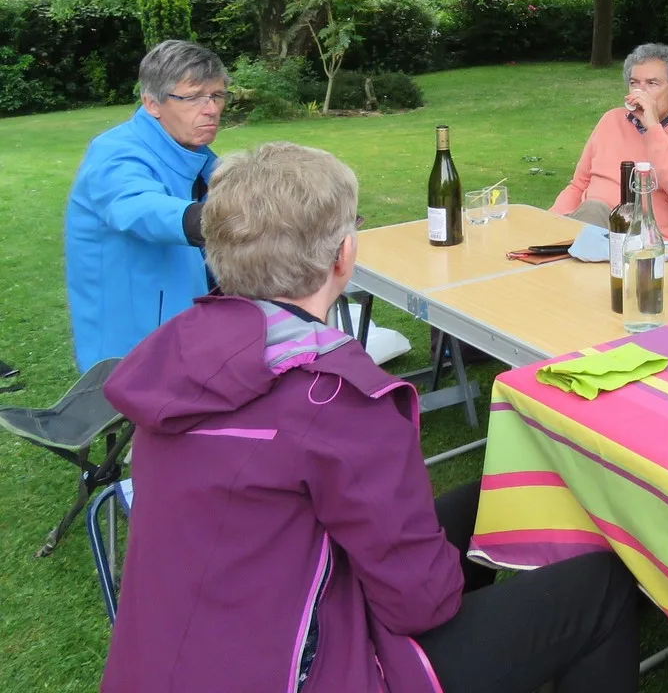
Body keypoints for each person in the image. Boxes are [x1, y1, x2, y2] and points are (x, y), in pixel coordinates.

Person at [102, 142, 637, 693]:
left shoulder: (177, 359)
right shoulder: (335, 398)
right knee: (602, 589)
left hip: (182, 657)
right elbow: (421, 605)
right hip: (308, 670)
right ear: (343, 254)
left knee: (489, 503)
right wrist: (438, 572)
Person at [64, 39, 227, 371]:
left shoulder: (197, 157)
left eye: (217, 95)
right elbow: (140, 207)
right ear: (152, 103)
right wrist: (226, 218)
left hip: (184, 333)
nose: (211, 108)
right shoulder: (116, 153)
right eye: (194, 97)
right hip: (128, 349)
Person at [551, 43, 668, 240]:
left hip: (644, 241)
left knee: (592, 211)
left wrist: (653, 129)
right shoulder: (611, 120)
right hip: (589, 226)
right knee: (553, 226)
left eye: (652, 84)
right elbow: (579, 185)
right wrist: (549, 221)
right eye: (634, 83)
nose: (640, 92)